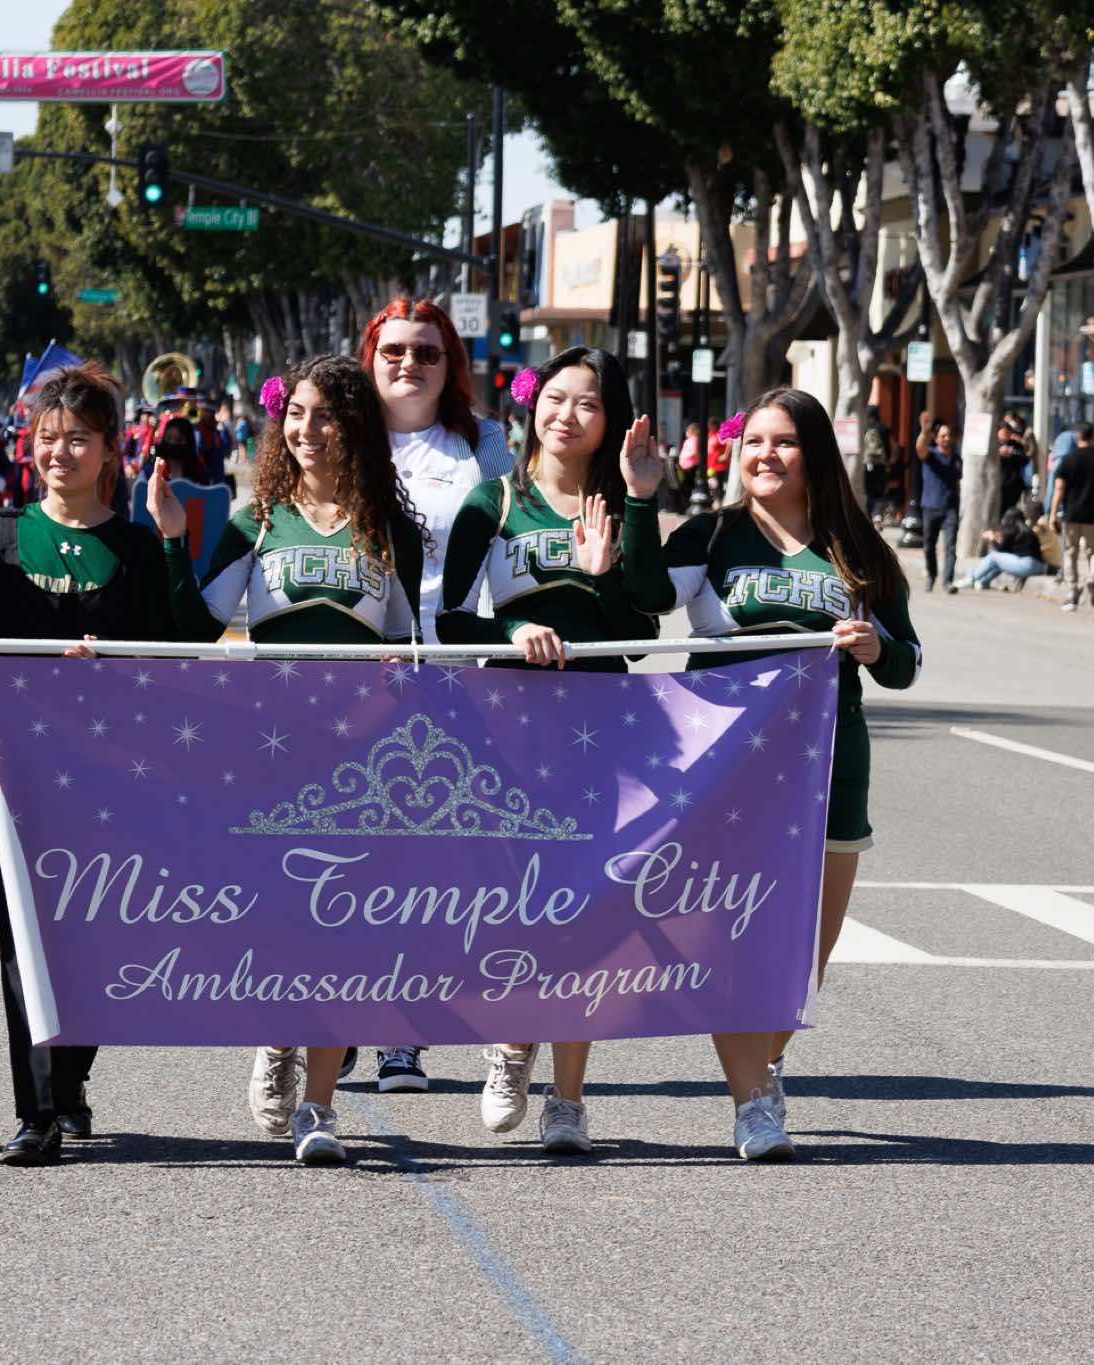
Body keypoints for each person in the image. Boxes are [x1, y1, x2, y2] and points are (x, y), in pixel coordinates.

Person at [623, 387, 920, 1161]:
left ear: (813, 452)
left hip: (831, 763)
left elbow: (907, 661)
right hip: (727, 767)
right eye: (753, 440)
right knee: (732, 936)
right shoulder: (713, 534)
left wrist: (875, 648)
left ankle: (768, 1059)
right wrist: (640, 500)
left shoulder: (857, 546)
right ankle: (753, 1102)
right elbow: (647, 596)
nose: (765, 454)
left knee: (805, 959)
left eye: (783, 441)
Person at [158, 354, 425, 1166]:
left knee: (340, 926)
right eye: (298, 413)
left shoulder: (390, 529)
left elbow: (411, 651)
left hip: (361, 760)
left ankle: (320, 1105)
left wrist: (386, 697)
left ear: (357, 426)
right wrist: (171, 540)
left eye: (328, 414)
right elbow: (190, 630)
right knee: (280, 916)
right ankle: (276, 1036)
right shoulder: (257, 520)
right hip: (270, 753)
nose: (308, 429)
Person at [0, 361, 174, 1164]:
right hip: (14, 762)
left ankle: (70, 1077)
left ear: (110, 450)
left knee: (98, 929)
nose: (59, 453)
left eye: (78, 439)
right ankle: (36, 1109)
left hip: (110, 769)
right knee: (20, 934)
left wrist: (115, 660)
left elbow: (169, 659)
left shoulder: (135, 545)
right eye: (47, 438)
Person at [436, 347, 655, 1155]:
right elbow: (450, 620)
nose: (567, 414)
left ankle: (569, 1097)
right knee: (516, 898)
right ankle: (510, 1041)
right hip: (509, 727)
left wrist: (610, 562)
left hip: (599, 728)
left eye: (587, 403)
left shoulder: (620, 505)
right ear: (533, 405)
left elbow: (641, 630)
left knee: (587, 907)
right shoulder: (493, 501)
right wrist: (512, 627)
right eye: (556, 397)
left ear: (610, 419)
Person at [356, 295, 514, 1092]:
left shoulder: (483, 443)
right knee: (344, 857)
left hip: (449, 675)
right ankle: (329, 1018)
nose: (409, 363)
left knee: (421, 865)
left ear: (451, 364)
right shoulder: (342, 432)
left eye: (426, 351)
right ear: (370, 358)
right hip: (351, 672)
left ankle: (403, 1032)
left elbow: (513, 546)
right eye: (394, 350)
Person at [1051, 422, 1094, 612]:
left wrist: (1053, 514)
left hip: (1071, 514)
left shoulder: (1068, 459)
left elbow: (1059, 488)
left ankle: (1072, 591)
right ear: (1092, 437)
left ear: (1077, 437)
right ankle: (1093, 577)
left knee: (1070, 552)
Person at [919, 421, 961, 592]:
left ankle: (948, 581)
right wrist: (924, 432)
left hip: (950, 508)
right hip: (930, 506)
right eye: (943, 435)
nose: (947, 438)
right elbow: (920, 448)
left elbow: (957, 484)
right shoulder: (931, 455)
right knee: (929, 546)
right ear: (936, 439)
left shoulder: (957, 459)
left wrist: (959, 506)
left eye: (949, 435)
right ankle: (931, 575)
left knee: (950, 546)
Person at [968, 501, 1047, 590]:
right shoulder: (1027, 531)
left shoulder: (1013, 531)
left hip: (1026, 565)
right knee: (999, 564)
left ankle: (970, 578)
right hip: (1038, 566)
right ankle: (983, 582)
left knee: (993, 557)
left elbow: (1000, 550)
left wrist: (992, 538)